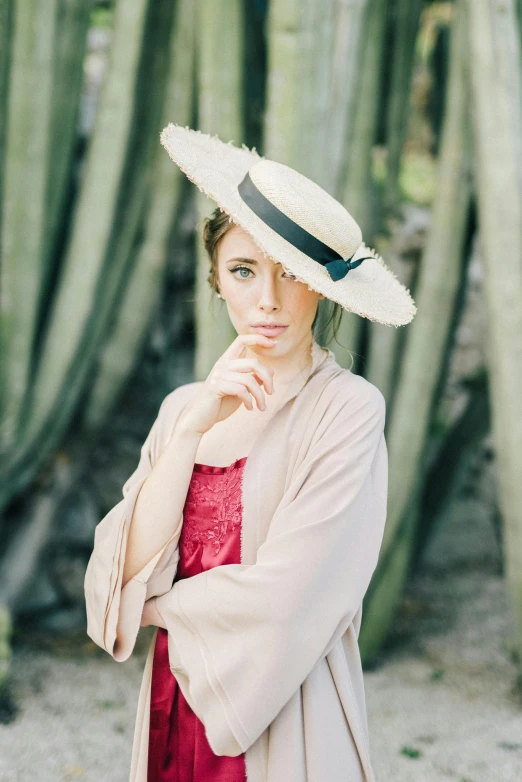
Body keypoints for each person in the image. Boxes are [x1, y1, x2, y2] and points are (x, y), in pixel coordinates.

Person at [84, 124, 417, 782]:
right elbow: (122, 560)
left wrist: (155, 610)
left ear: (322, 287)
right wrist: (188, 433)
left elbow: (293, 599)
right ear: (216, 280)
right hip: (173, 703)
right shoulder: (185, 407)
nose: (267, 300)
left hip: (285, 707)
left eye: (291, 275)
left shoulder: (346, 411)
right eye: (243, 271)